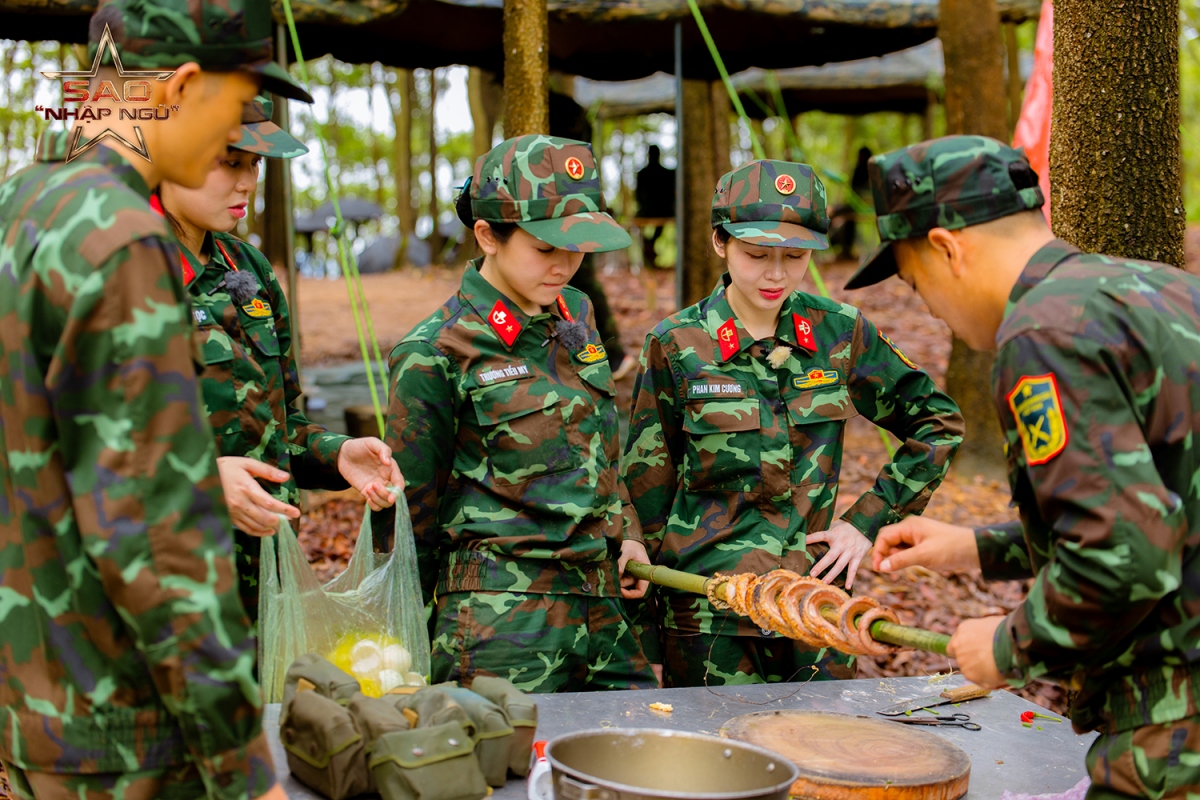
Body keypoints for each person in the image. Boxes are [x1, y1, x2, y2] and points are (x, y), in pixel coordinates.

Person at [0, 0, 311, 795]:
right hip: (132, 726)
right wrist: (246, 765)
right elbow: (154, 535)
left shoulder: (26, 207)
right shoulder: (121, 237)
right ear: (180, 85)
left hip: (40, 695)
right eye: (236, 110)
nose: (237, 145)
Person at [853, 135, 1200, 800]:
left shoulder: (1044, 333)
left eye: (918, 284)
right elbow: (1163, 501)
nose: (932, 309)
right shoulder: (1158, 291)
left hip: (1176, 719)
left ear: (949, 248)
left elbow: (1128, 552)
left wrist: (1011, 645)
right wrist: (978, 548)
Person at [623, 159, 964, 687]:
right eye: (757, 255)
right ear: (720, 242)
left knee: (824, 757)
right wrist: (646, 638)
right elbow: (646, 490)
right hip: (710, 615)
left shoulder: (840, 334)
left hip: (816, 609)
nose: (776, 273)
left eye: (795, 256)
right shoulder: (675, 345)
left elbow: (937, 424)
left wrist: (865, 523)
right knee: (719, 764)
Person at [378, 135, 657, 693]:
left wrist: (626, 529)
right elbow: (410, 520)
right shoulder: (436, 352)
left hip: (601, 609)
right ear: (488, 235)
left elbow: (598, 444)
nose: (565, 266)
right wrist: (401, 639)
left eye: (577, 248)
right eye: (545, 248)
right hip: (501, 627)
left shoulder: (574, 313)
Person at [154, 95, 403, 622]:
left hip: (264, 578)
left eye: (255, 164)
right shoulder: (119, 265)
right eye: (230, 161)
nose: (247, 182)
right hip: (164, 584)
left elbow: (279, 425)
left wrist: (337, 454)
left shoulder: (248, 269)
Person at [635, 144, 676, 268]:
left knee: (642, 228)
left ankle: (649, 245)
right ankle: (649, 246)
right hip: (662, 211)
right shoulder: (668, 173)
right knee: (638, 226)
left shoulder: (643, 174)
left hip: (659, 211)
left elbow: (637, 197)